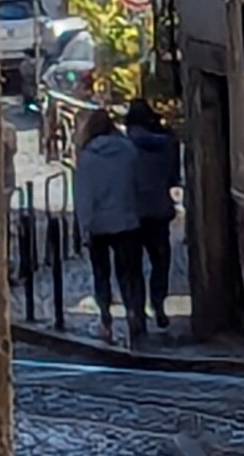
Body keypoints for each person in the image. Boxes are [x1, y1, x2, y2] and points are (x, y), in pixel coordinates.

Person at [74, 108, 146, 348]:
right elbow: (138, 184)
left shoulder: (88, 158)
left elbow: (84, 196)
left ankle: (105, 319)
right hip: (127, 221)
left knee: (101, 274)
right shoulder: (128, 151)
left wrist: (84, 227)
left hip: (99, 226)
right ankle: (134, 312)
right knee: (130, 273)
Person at [125, 97, 181, 336]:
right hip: (158, 211)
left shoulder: (124, 147)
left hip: (131, 213)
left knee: (132, 266)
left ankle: (136, 311)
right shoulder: (166, 145)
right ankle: (158, 303)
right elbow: (172, 178)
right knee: (161, 261)